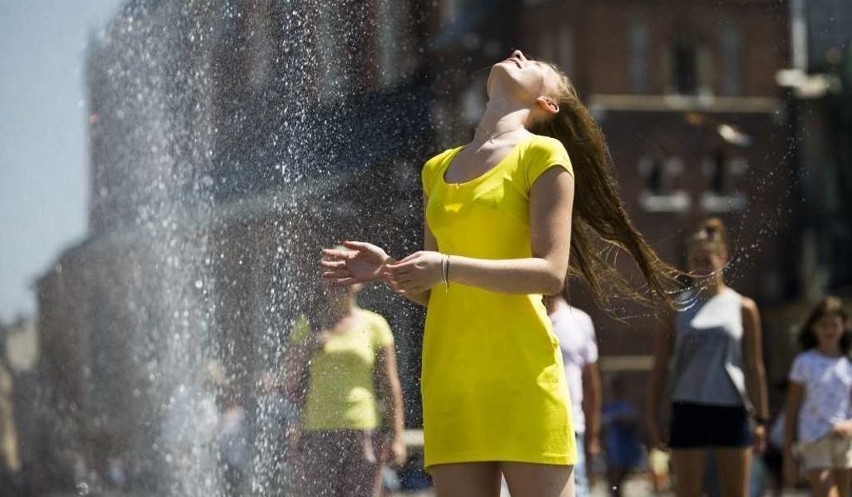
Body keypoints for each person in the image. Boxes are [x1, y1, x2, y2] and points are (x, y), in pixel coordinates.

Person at [320, 49, 679, 497]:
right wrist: (388, 270)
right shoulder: (436, 169)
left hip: (522, 376)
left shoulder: (545, 155)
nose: (519, 55)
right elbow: (438, 289)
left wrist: (447, 266)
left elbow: (549, 272)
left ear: (547, 104)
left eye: (536, 66)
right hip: (451, 380)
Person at [647, 217, 770, 497]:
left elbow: (754, 366)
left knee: (735, 492)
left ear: (722, 258)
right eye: (695, 260)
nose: (701, 265)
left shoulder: (743, 307)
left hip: (731, 407)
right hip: (688, 406)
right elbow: (659, 367)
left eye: (707, 259)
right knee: (688, 492)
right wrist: (652, 417)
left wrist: (762, 419)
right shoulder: (676, 307)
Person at [285, 279, 407, 497]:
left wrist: (398, 437)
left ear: (358, 283)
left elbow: (390, 385)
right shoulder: (309, 324)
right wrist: (308, 346)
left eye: (344, 278)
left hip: (362, 429)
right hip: (318, 429)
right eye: (332, 280)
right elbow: (289, 378)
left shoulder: (375, 325)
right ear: (324, 284)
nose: (338, 286)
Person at [782, 296, 852, 497]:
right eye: (823, 325)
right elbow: (792, 408)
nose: (829, 330)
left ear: (843, 326)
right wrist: (788, 454)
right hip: (814, 439)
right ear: (814, 328)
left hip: (845, 440)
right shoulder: (804, 362)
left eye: (834, 325)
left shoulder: (848, 365)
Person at [545, 295, 602, 496]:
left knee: (578, 489)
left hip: (571, 428)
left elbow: (590, 383)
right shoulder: (516, 318)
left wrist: (593, 436)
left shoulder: (579, 321)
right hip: (525, 427)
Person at [601, 375, 645, 497]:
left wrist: (622, 420)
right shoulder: (608, 408)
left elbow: (634, 423)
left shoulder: (627, 406)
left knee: (618, 481)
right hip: (612, 451)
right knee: (613, 483)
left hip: (624, 451)